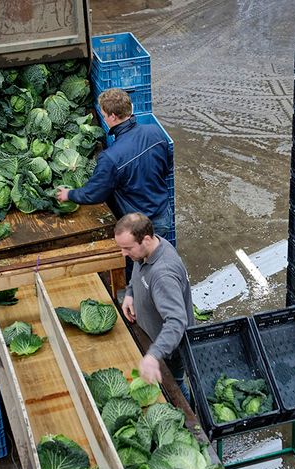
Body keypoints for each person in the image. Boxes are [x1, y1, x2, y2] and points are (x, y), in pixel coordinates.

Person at [55, 88, 173, 239]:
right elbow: (167, 166)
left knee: (139, 259)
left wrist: (69, 194)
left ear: (113, 117)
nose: (103, 119)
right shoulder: (155, 132)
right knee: (159, 255)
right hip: (163, 214)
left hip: (140, 226)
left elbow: (95, 193)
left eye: (104, 116)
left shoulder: (110, 157)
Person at [115, 213, 194, 404]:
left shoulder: (163, 275)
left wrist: (153, 355)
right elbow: (138, 267)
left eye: (127, 248)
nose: (123, 254)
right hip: (151, 337)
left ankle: (192, 415)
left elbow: (177, 322)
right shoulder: (148, 249)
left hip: (169, 349)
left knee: (174, 386)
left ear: (147, 239)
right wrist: (131, 293)